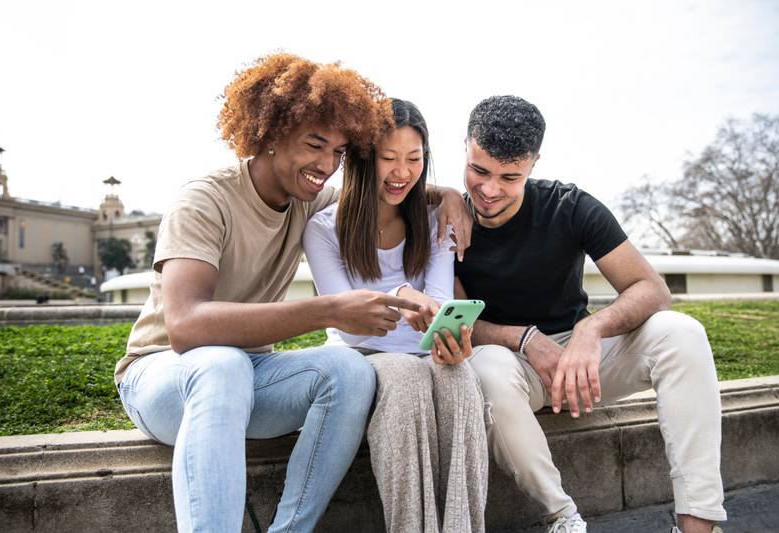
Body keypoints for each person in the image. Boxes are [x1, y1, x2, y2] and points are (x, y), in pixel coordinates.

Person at [114, 54, 470, 533]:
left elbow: (390, 187)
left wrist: (449, 195)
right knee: (221, 364)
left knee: (348, 370)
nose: (326, 166)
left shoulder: (309, 196)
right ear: (270, 135)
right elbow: (185, 327)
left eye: (339, 153)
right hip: (164, 376)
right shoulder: (204, 199)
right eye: (314, 145)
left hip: (251, 375)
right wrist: (330, 309)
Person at [454, 95, 726, 533]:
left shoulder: (571, 206)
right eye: (479, 171)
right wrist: (523, 338)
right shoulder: (448, 220)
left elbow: (652, 289)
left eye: (510, 177)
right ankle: (563, 518)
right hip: (508, 362)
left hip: (585, 364)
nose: (488, 190)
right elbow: (459, 320)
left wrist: (591, 329)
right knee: (485, 366)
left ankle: (697, 523)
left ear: (534, 163)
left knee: (682, 333)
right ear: (465, 146)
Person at [303, 98, 487, 533]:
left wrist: (446, 338)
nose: (402, 172)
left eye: (414, 159)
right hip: (361, 355)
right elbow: (348, 325)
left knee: (461, 382)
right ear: (365, 159)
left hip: (422, 355)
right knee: (406, 382)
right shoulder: (325, 229)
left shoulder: (434, 221)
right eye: (389, 158)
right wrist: (403, 295)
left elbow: (439, 304)